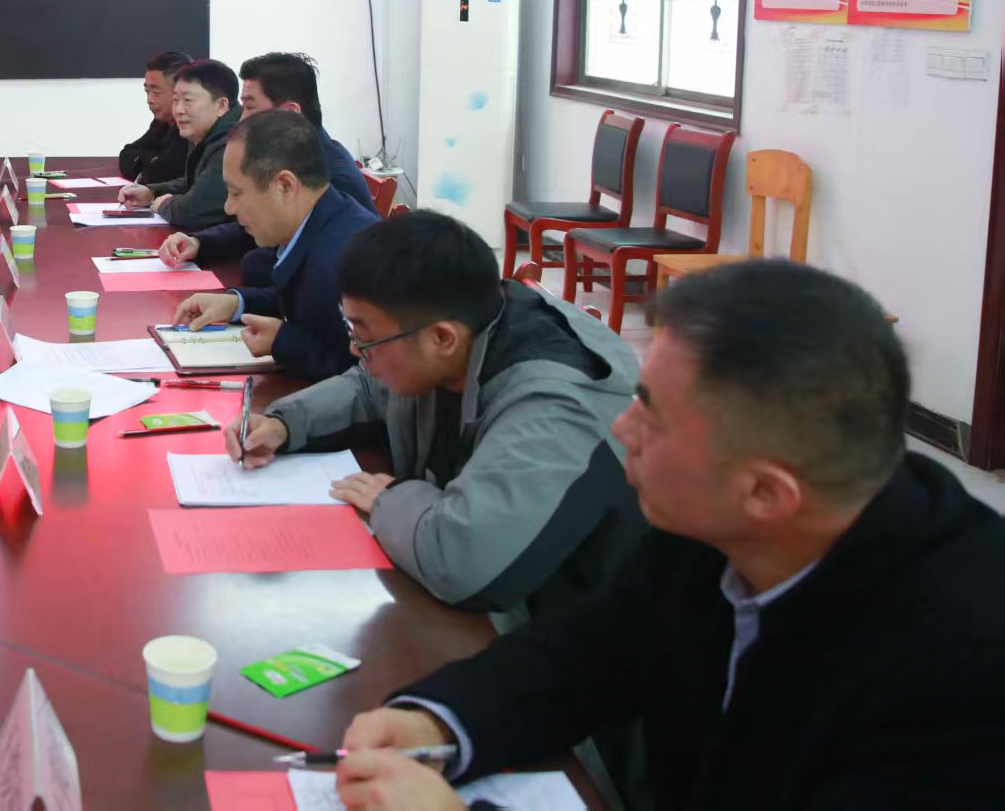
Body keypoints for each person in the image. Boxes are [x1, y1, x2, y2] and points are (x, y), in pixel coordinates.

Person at [331, 261, 1005, 811]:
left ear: (765, 492)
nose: (621, 430)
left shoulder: (960, 676)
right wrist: (438, 722)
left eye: (652, 417)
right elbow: (584, 655)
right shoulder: (713, 528)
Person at [234, 210, 644, 626]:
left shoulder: (553, 406)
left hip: (582, 632)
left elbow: (464, 561)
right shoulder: (461, 325)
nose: (356, 350)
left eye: (366, 338)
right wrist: (283, 423)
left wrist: (389, 499)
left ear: (443, 338)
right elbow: (368, 387)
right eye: (352, 331)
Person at [169, 110, 375, 381]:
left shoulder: (344, 262)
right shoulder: (322, 221)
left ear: (285, 186)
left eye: (236, 192)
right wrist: (236, 303)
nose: (228, 208)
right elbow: (292, 301)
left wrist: (284, 342)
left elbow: (366, 374)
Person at [163, 51, 380, 279]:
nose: (240, 119)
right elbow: (256, 225)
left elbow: (337, 266)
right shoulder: (290, 157)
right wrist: (200, 243)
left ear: (290, 113)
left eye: (250, 108)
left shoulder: (333, 175)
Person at [117, 58, 241, 232]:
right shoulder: (202, 131)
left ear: (221, 105)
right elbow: (193, 182)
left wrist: (163, 204)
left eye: (188, 100)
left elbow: (194, 212)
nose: (179, 110)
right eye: (175, 100)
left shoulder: (234, 143)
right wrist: (151, 192)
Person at [119, 50, 192, 185]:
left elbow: (162, 173)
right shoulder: (161, 123)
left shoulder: (190, 127)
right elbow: (126, 154)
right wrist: (150, 160)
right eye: (147, 91)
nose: (150, 100)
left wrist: (148, 161)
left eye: (156, 92)